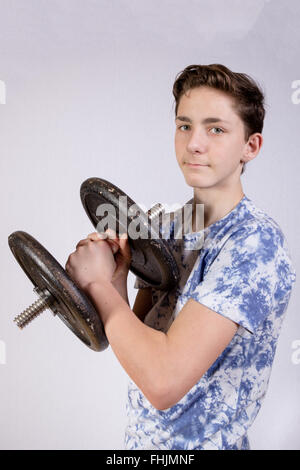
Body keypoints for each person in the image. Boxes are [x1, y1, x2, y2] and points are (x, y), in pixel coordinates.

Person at [65, 64, 296, 450]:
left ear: (250, 147)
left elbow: (162, 381)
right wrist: (114, 278)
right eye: (184, 125)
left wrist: (92, 283)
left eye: (216, 129)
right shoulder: (171, 226)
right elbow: (135, 341)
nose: (194, 144)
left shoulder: (254, 243)